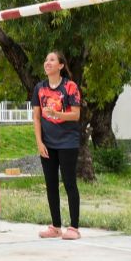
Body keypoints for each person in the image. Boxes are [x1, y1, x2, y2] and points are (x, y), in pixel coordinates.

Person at [31, 51, 82, 240]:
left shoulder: (70, 87)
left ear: (60, 65)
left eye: (52, 60)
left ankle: (74, 228)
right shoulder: (39, 88)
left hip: (68, 142)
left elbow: (76, 115)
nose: (47, 63)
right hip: (48, 144)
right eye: (46, 60)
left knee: (69, 184)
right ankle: (55, 227)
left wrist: (57, 114)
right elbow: (36, 117)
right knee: (51, 185)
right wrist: (39, 142)